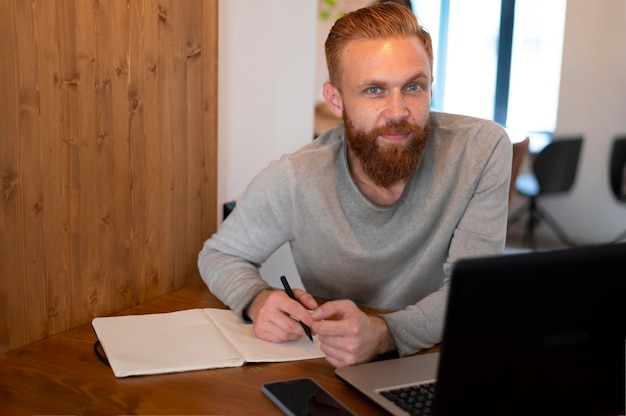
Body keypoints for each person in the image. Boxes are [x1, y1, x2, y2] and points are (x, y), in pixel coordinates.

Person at [198, 2, 511, 368]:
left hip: (442, 356)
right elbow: (218, 256)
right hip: (337, 361)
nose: (398, 111)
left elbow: (472, 295)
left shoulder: (481, 149)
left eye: (413, 86)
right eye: (374, 90)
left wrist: (383, 333)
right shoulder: (296, 178)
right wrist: (257, 298)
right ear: (336, 99)